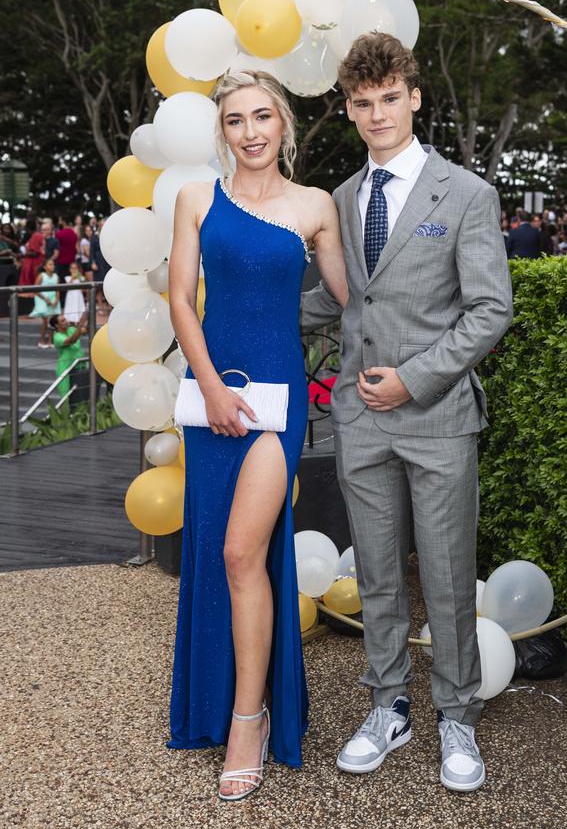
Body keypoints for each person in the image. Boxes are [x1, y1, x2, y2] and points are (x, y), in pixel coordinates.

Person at [301, 33, 513, 793]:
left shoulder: (466, 194)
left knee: (450, 577)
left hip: (437, 416)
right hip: (359, 419)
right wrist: (249, 310)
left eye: (391, 98)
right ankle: (388, 705)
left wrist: (414, 379)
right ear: (350, 110)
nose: (379, 113)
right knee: (381, 573)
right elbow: (339, 297)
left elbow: (490, 310)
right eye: (364, 103)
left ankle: (457, 714)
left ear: (415, 97)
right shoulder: (343, 200)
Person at [167, 70, 348, 800]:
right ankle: (231, 704)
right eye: (236, 120)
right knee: (219, 554)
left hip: (278, 402)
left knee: (245, 551)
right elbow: (180, 298)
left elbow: (351, 299)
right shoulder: (196, 199)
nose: (250, 131)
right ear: (223, 132)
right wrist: (209, 385)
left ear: (285, 124)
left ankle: (250, 718)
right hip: (212, 400)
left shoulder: (315, 206)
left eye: (263, 116)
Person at [49, 311, 89, 397]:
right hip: (66, 368)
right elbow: (71, 340)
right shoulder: (57, 337)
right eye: (63, 321)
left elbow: (85, 331)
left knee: (81, 393)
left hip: (79, 365)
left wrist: (88, 319)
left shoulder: (71, 329)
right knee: (68, 395)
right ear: (56, 325)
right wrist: (81, 324)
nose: (66, 321)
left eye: (65, 319)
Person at [29, 258, 61, 347]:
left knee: (52, 321)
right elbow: (35, 290)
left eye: (53, 264)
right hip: (42, 300)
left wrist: (57, 300)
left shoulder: (56, 276)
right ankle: (41, 341)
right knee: (45, 320)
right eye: (50, 264)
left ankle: (50, 341)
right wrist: (45, 299)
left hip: (53, 300)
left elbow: (57, 289)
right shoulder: (41, 276)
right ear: (45, 267)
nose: (52, 266)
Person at [18, 217, 44, 289]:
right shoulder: (36, 235)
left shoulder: (36, 236)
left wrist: (22, 255)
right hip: (32, 265)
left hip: (34, 265)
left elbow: (35, 253)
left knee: (32, 288)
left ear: (28, 227)